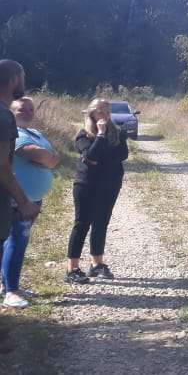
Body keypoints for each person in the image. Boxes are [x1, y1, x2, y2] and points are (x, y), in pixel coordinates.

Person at [2, 97, 59, 308]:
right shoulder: (12, 133)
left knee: (14, 241)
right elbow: (38, 154)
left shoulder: (36, 133)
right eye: (20, 109)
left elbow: (54, 156)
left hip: (34, 198)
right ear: (11, 111)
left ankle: (7, 284)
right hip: (19, 199)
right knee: (17, 240)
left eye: (30, 109)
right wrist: (47, 157)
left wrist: (48, 157)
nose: (26, 112)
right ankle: (11, 292)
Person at [0, 59, 40, 353]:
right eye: (22, 76)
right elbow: (2, 166)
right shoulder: (3, 116)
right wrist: (24, 201)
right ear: (14, 78)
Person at [66, 98, 128, 284]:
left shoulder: (116, 133)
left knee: (101, 223)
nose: (105, 115)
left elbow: (122, 154)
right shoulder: (83, 135)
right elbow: (91, 156)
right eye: (101, 111)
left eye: (107, 111)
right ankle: (72, 269)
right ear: (92, 114)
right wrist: (100, 136)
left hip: (110, 184)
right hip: (86, 184)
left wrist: (102, 151)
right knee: (82, 223)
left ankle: (96, 264)